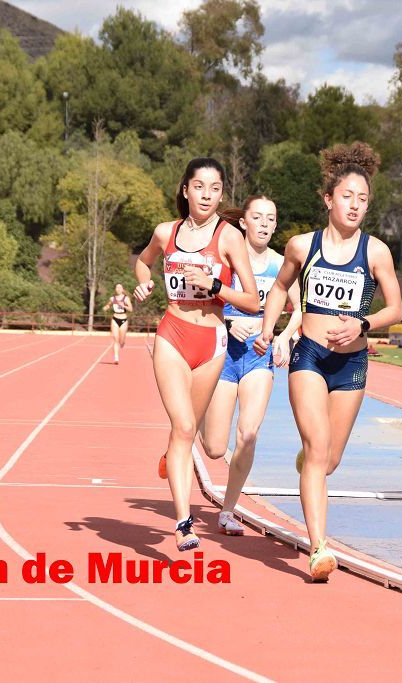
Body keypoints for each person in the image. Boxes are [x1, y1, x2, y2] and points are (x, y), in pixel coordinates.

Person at [255, 142, 402, 581]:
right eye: (347, 196)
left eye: (363, 199)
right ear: (328, 199)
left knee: (329, 458)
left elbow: (395, 309)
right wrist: (269, 326)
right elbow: (281, 287)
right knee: (318, 451)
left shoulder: (376, 253)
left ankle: (310, 467)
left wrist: (363, 324)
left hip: (352, 366)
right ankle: (318, 548)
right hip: (311, 358)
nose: (355, 205)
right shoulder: (302, 246)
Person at [133, 158, 259, 551]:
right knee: (185, 427)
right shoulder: (164, 231)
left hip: (211, 342)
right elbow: (143, 261)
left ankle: (173, 454)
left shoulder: (229, 237)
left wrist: (216, 284)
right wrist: (143, 285)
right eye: (199, 187)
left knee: (188, 433)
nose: (207, 195)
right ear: (185, 190)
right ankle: (184, 523)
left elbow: (253, 301)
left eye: (215, 188)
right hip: (172, 333)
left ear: (222, 194)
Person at [200, 196, 302, 536]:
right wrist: (229, 324)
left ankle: (228, 511)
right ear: (243, 222)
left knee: (248, 433)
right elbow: (202, 303)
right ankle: (191, 421)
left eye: (270, 219)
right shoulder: (227, 260)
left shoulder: (280, 263)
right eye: (257, 217)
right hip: (223, 352)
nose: (264, 224)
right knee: (215, 448)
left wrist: (283, 335)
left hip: (258, 356)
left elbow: (298, 309)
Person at [101, 284, 132, 364]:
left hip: (123, 319)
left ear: (122, 289)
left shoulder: (126, 299)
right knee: (115, 339)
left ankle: (122, 342)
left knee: (121, 340)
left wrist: (124, 306)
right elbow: (109, 305)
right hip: (115, 319)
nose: (118, 289)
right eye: (117, 287)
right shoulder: (112, 298)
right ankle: (116, 357)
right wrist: (106, 307)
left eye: (119, 287)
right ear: (115, 289)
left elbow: (131, 309)